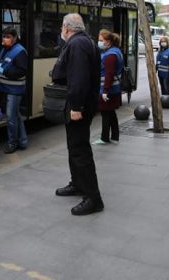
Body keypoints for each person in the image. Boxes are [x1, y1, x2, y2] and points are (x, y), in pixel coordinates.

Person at [52, 13, 104, 216]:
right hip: (82, 104)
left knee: (80, 150)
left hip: (78, 106)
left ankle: (93, 198)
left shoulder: (77, 45)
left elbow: (78, 80)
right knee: (74, 147)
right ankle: (78, 184)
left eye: (61, 28)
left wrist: (76, 107)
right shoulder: (85, 42)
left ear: (66, 28)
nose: (61, 31)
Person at [0, 27, 29, 154]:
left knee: (11, 117)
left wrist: (3, 70)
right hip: (6, 88)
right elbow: (5, 64)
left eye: (8, 37)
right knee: (16, 116)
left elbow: (21, 71)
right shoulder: (4, 50)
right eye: (4, 36)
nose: (5, 39)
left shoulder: (20, 51)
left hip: (15, 89)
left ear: (14, 38)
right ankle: (23, 141)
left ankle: (12, 143)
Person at [94, 29, 123, 145]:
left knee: (105, 113)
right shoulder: (115, 51)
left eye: (101, 40)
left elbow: (109, 74)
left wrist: (105, 91)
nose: (99, 42)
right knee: (111, 112)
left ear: (109, 42)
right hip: (113, 88)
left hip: (108, 89)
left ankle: (104, 138)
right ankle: (115, 136)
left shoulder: (110, 55)